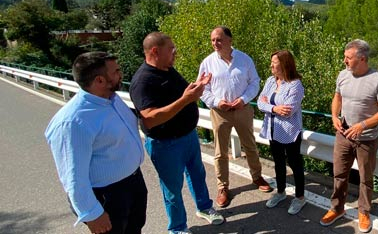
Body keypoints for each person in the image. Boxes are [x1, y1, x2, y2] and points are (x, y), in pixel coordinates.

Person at [129, 32, 223, 234]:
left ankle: (204, 207)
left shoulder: (168, 69)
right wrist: (186, 100)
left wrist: (199, 87)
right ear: (155, 51)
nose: (176, 53)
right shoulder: (143, 81)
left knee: (197, 174)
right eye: (172, 49)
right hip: (166, 144)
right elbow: (150, 118)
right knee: (172, 189)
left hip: (188, 137)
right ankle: (178, 227)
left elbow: (181, 95)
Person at [45, 52, 147, 234]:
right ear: (100, 80)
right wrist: (91, 213)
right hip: (108, 196)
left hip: (133, 183)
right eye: (116, 71)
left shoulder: (111, 99)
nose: (121, 74)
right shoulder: (72, 122)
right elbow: (73, 178)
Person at [319, 39, 378, 233]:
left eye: (348, 58)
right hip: (343, 134)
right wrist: (334, 116)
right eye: (345, 57)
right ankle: (337, 208)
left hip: (366, 138)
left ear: (362, 59)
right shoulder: (343, 75)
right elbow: (337, 98)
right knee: (339, 174)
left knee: (365, 177)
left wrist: (363, 125)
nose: (344, 61)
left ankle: (364, 211)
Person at [198, 26, 273, 208]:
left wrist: (244, 99)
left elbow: (254, 82)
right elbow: (203, 89)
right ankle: (223, 187)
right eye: (213, 40)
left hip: (242, 109)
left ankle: (257, 177)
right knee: (220, 151)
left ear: (230, 40)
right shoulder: (207, 63)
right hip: (220, 112)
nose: (215, 43)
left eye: (219, 39)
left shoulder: (244, 59)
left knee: (250, 145)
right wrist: (217, 102)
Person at [257, 50, 306, 215]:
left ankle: (300, 197)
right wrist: (274, 108)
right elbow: (259, 102)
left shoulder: (295, 85)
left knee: (295, 164)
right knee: (278, 163)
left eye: (274, 63)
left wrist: (269, 106)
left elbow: (289, 111)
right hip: (273, 130)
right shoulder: (271, 81)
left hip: (290, 132)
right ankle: (280, 192)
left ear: (284, 64)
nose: (271, 65)